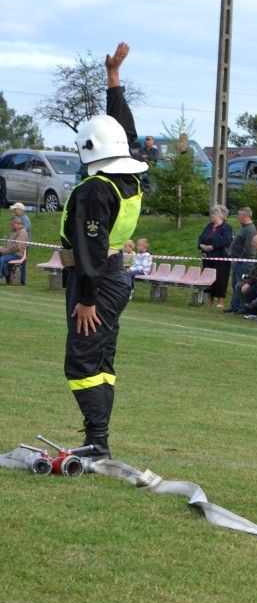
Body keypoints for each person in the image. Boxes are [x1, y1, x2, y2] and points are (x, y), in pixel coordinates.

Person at [59, 41, 149, 462]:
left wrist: (85, 299)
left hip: (95, 278)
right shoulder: (126, 176)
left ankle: (98, 443)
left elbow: (90, 247)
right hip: (114, 273)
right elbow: (122, 129)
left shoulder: (96, 188)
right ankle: (98, 440)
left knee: (81, 361)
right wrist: (114, 79)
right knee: (102, 358)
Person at [197, 204, 233, 308]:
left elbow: (226, 240)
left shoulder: (226, 227)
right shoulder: (209, 226)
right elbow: (201, 238)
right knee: (208, 277)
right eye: (212, 213)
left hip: (220, 257)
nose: (212, 215)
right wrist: (202, 245)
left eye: (215, 213)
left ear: (221, 215)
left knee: (221, 278)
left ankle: (221, 300)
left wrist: (213, 246)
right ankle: (210, 299)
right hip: (207, 257)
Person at [227, 207, 257, 313]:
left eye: (239, 215)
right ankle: (234, 306)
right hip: (237, 261)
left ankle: (241, 307)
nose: (237, 217)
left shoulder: (250, 229)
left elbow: (248, 248)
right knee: (235, 284)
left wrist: (239, 259)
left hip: (243, 262)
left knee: (240, 284)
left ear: (244, 216)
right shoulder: (243, 227)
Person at [1, 215, 29, 284]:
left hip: (17, 254)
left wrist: (4, 251)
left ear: (18, 224)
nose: (11, 226)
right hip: (10, 252)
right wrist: (3, 248)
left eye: (12, 224)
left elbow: (17, 247)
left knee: (1, 260)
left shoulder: (22, 232)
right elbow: (10, 245)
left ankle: (6, 275)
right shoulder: (13, 232)